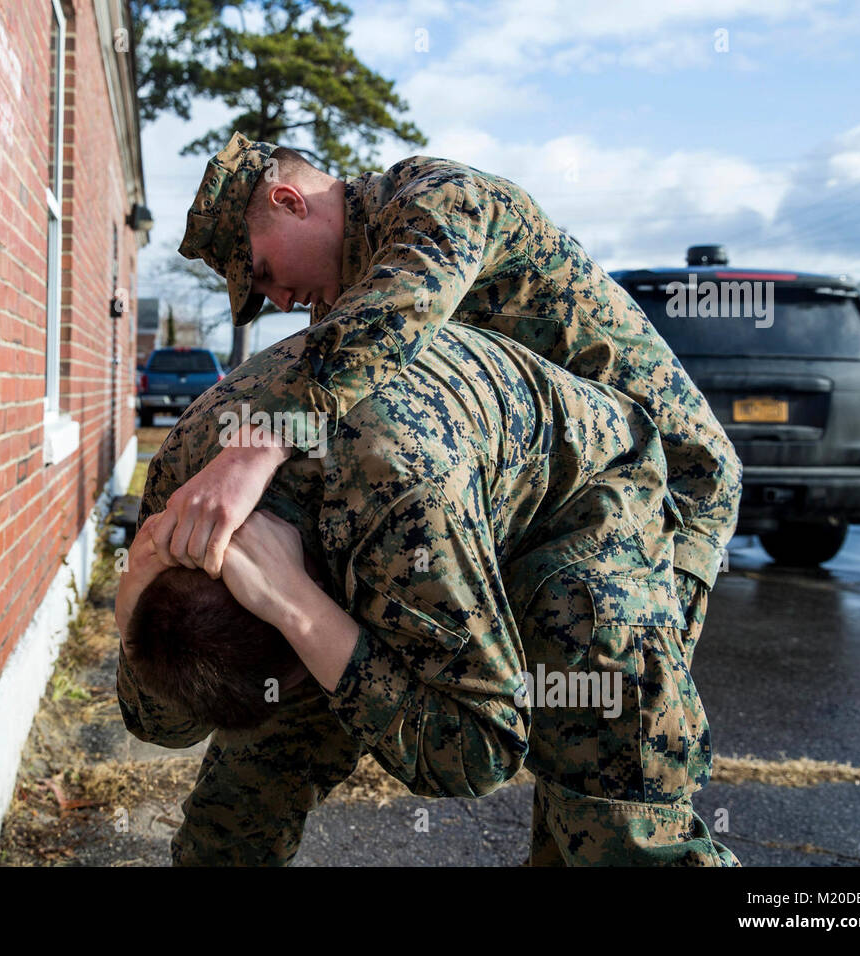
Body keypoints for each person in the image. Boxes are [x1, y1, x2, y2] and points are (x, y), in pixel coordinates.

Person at [116, 320, 739, 867]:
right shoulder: (185, 483)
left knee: (614, 822)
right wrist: (132, 604)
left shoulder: (404, 508)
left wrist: (301, 611)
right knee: (238, 807)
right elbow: (161, 724)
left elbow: (481, 747)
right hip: (367, 540)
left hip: (582, 504)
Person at [149, 132, 740, 671]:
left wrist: (248, 455)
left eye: (264, 273)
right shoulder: (342, 311)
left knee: (599, 729)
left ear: (289, 201)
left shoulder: (437, 196)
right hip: (550, 493)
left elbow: (401, 309)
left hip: (665, 483)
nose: (278, 301)